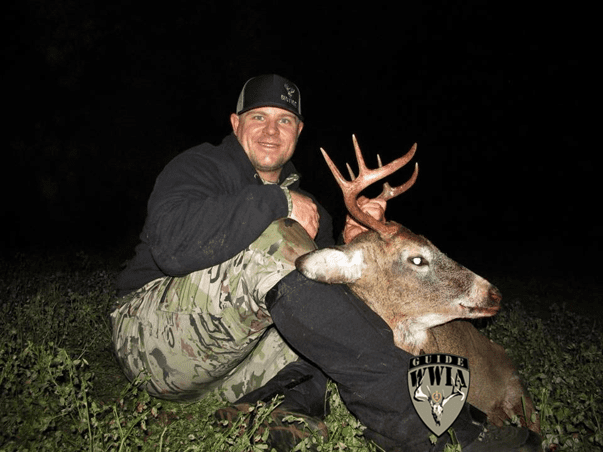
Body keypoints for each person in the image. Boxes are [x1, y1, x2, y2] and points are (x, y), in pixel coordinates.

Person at [111, 74, 542, 451]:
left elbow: (322, 290)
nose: (270, 130)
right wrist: (276, 202)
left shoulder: (310, 204)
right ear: (235, 123)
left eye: (285, 120)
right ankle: (430, 425)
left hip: (229, 374)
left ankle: (287, 414)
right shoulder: (201, 166)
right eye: (258, 116)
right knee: (280, 244)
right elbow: (168, 242)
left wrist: (358, 242)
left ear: (298, 131)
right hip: (153, 343)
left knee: (325, 301)